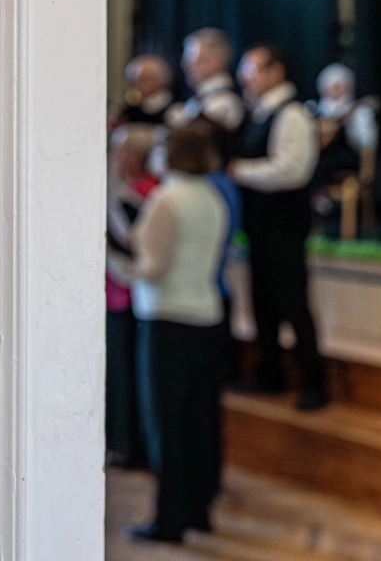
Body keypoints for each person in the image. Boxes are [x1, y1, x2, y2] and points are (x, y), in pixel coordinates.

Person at [126, 129, 230, 544]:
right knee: (201, 421)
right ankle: (199, 509)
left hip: (167, 316)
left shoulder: (167, 198)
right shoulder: (212, 197)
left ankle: (169, 520)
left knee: (166, 424)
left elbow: (153, 268)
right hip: (207, 314)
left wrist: (117, 263)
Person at [228, 44, 327, 411]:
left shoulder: (293, 115)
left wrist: (240, 171)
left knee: (292, 300)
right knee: (262, 299)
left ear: (276, 71)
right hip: (260, 222)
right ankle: (269, 373)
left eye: (252, 70)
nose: (245, 78)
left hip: (284, 222)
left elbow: (292, 171)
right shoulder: (256, 113)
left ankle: (314, 382)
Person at [104, 125, 159, 467]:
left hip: (135, 295)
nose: (117, 158)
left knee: (128, 373)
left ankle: (128, 444)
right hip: (114, 292)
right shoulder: (121, 190)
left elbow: (139, 246)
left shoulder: (152, 195)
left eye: (122, 151)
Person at [310, 63, 378, 224]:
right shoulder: (315, 109)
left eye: (338, 86)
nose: (333, 90)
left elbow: (367, 143)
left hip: (346, 160)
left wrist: (351, 124)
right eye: (330, 86)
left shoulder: (358, 112)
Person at [168, 28, 245, 139]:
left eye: (192, 60)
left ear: (215, 62)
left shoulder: (226, 102)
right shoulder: (198, 99)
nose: (185, 66)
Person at [113, 55, 173, 128]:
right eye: (132, 81)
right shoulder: (127, 112)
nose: (136, 85)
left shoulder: (174, 111)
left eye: (143, 80)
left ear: (160, 80)